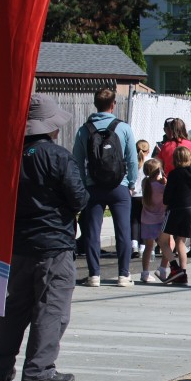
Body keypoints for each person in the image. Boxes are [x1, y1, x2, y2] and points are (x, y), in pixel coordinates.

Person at [0, 94, 89, 381]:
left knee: (15, 308)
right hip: (54, 243)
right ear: (51, 126)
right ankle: (39, 369)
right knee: (52, 307)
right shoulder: (57, 156)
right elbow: (79, 198)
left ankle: (1, 367)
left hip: (19, 243)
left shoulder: (10, 156)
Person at [72, 87, 138, 287]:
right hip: (120, 186)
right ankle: (123, 275)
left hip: (94, 186)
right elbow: (132, 159)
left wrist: (85, 184)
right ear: (113, 105)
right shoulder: (123, 128)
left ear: (95, 104)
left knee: (92, 232)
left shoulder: (84, 130)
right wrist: (131, 182)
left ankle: (94, 275)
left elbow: (77, 161)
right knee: (123, 231)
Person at [159, 146, 191, 284]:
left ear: (175, 159)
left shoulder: (174, 174)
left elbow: (166, 198)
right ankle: (183, 273)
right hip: (190, 209)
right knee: (181, 242)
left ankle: (174, 267)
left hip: (175, 209)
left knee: (162, 241)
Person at [139, 158, 166, 283]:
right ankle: (163, 268)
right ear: (158, 171)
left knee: (148, 247)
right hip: (159, 219)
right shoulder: (160, 187)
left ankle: (145, 272)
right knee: (167, 245)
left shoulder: (145, 183)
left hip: (146, 220)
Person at [132, 139, 150, 259]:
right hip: (146, 195)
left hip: (134, 195)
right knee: (144, 221)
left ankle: (133, 245)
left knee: (134, 220)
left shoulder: (132, 161)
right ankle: (143, 247)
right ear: (148, 150)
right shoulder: (150, 162)